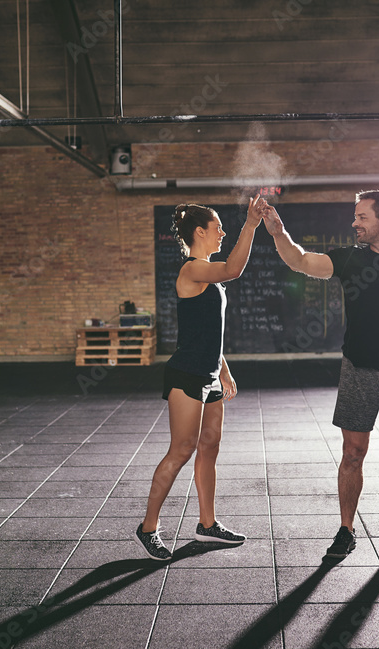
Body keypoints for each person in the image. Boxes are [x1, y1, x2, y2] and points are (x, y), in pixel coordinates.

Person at [262, 189, 379, 560]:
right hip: (357, 369)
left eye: (361, 216)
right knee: (352, 453)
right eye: (355, 216)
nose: (354, 223)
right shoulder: (348, 259)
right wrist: (277, 231)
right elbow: (300, 262)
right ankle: (346, 531)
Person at [134, 196, 266, 561]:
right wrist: (250, 225)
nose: (222, 233)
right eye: (218, 228)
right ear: (199, 232)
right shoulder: (192, 270)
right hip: (186, 375)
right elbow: (234, 269)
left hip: (209, 374)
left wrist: (224, 371)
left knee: (209, 449)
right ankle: (148, 528)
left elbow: (207, 332)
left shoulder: (209, 277)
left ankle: (207, 524)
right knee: (181, 450)